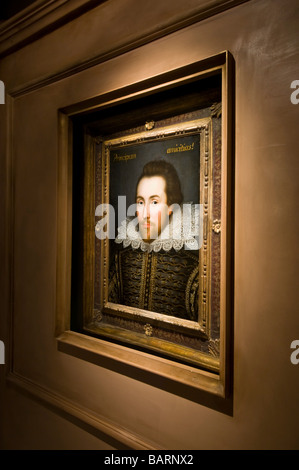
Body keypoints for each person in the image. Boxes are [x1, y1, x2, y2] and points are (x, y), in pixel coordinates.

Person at [108, 160, 200, 321]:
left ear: (171, 207)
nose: (145, 213)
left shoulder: (194, 267)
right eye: (141, 202)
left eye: (155, 202)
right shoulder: (121, 259)